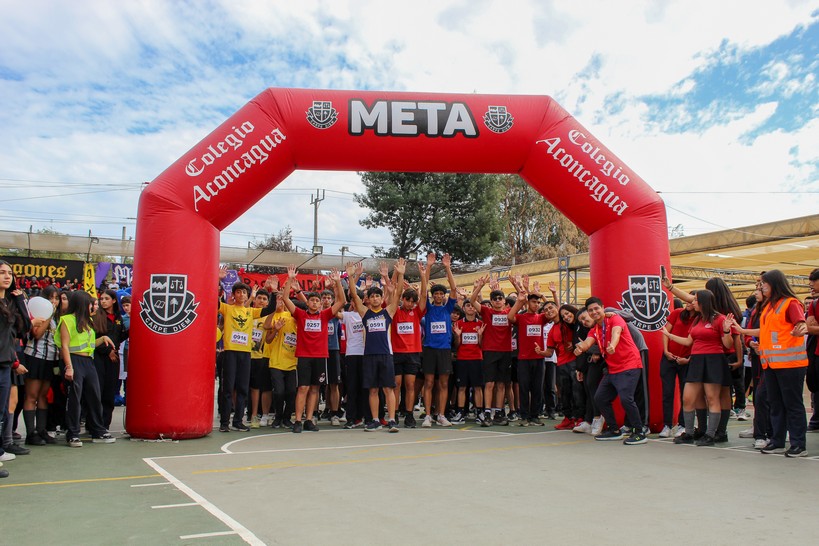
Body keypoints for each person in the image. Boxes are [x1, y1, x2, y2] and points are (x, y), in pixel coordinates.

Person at [728, 269, 809, 457]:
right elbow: (764, 331)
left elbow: (801, 323)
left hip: (790, 365)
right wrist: (743, 331)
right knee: (775, 404)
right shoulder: (769, 306)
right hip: (771, 365)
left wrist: (801, 329)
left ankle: (798, 444)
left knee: (793, 405)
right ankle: (777, 441)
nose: (761, 287)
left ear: (774, 284)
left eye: (764, 283)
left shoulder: (790, 303)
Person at [662, 290, 736, 446]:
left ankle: (710, 434)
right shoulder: (697, 319)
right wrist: (669, 335)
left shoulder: (719, 319)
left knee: (712, 398)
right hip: (696, 360)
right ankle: (689, 432)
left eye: (695, 300)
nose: (693, 302)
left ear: (703, 302)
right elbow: (689, 341)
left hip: (714, 360)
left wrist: (727, 330)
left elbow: (728, 344)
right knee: (688, 398)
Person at [281, 265, 346, 433]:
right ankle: (298, 420)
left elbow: (341, 302)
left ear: (320, 304)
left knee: (315, 389)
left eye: (317, 301)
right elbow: (286, 299)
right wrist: (289, 279)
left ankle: (309, 420)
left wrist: (338, 282)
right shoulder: (300, 314)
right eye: (312, 300)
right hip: (304, 356)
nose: (315, 302)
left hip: (320, 356)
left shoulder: (325, 315)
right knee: (303, 388)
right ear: (307, 303)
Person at [573, 296, 647, 445]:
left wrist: (613, 345)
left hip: (629, 365)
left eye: (596, 308)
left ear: (602, 308)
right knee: (600, 397)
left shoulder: (614, 318)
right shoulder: (595, 330)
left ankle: (639, 432)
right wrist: (580, 348)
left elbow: (616, 333)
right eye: (590, 310)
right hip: (613, 369)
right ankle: (614, 430)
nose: (594, 312)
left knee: (626, 399)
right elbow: (588, 343)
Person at [346, 259, 406, 432]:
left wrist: (401, 274)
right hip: (369, 356)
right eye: (372, 296)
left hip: (386, 355)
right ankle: (374, 420)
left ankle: (392, 420)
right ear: (368, 299)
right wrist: (351, 277)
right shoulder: (365, 313)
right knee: (372, 390)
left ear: (381, 298)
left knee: (388, 388)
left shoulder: (388, 312)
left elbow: (398, 294)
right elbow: (354, 295)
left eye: (377, 296)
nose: (375, 298)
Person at [215, 269, 277, 432]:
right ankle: (224, 423)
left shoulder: (251, 312)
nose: (241, 294)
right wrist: (217, 280)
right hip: (230, 353)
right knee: (228, 389)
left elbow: (270, 309)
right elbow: (213, 300)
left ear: (247, 295)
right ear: (234, 295)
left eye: (244, 292)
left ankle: (238, 421)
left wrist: (273, 291)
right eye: (238, 292)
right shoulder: (227, 308)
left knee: (243, 388)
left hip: (246, 354)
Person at [56, 290, 116, 447]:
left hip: (89, 361)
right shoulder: (67, 320)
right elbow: (64, 346)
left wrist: (102, 339)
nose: (93, 306)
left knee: (94, 395)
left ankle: (98, 430)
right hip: (74, 360)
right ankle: (73, 433)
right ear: (82, 304)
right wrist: (69, 367)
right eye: (90, 303)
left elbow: (88, 345)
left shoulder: (88, 321)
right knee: (75, 398)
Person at [419, 252, 459, 428]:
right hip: (429, 349)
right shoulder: (428, 308)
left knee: (443, 383)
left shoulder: (448, 308)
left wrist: (447, 267)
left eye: (441, 294)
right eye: (436, 293)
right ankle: (428, 415)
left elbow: (454, 289)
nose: (438, 296)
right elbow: (423, 291)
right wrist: (428, 267)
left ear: (444, 296)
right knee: (428, 383)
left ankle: (441, 415)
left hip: (444, 350)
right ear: (433, 295)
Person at [468, 275, 513, 426]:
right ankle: (487, 413)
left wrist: (518, 285)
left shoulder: (509, 313)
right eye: (494, 298)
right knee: (489, 384)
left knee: (501, 384)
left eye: (500, 298)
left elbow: (522, 301)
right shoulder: (487, 311)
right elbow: (472, 300)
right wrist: (479, 286)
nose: (497, 300)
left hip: (506, 351)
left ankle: (499, 412)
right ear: (491, 301)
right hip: (489, 351)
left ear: (504, 301)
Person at [1, 261, 32, 477]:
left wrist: (20, 300)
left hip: (5, 364)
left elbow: (25, 328)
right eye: (2, 273)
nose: (7, 276)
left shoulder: (10, 302)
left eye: (10, 273)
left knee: (2, 411)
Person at [22, 285, 60, 446]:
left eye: (56, 298)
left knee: (43, 396)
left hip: (51, 360)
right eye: (51, 298)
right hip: (34, 357)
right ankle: (31, 433)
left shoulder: (58, 317)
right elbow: (36, 334)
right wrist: (49, 314)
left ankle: (42, 430)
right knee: (32, 395)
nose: (54, 301)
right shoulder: (38, 313)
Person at [390, 264, 427, 428]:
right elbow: (395, 293)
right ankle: (395, 413)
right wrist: (399, 274)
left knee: (410, 385)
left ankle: (409, 414)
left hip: (413, 353)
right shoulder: (395, 311)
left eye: (413, 301)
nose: (410, 303)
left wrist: (423, 275)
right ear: (403, 299)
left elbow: (424, 296)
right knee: (396, 385)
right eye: (408, 300)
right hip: (396, 353)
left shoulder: (417, 313)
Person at [507, 289, 549, 427]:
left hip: (539, 358)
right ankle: (524, 416)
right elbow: (510, 316)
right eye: (533, 302)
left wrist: (543, 295)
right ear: (528, 303)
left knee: (537, 388)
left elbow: (554, 312)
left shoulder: (541, 317)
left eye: (538, 302)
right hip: (524, 358)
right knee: (524, 388)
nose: (536, 304)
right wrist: (520, 301)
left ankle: (535, 416)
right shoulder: (522, 317)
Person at [659, 295, 695, 438]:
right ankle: (667, 425)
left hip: (686, 360)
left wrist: (688, 359)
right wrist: (666, 351)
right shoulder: (677, 313)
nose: (688, 303)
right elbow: (666, 332)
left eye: (692, 301)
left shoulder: (699, 319)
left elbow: (698, 341)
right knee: (667, 392)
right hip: (669, 358)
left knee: (685, 394)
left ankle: (682, 424)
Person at [92, 289, 128, 430]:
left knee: (109, 391)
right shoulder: (96, 316)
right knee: (98, 391)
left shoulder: (118, 317)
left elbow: (119, 336)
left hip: (114, 358)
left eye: (106, 298)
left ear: (113, 300)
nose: (103, 301)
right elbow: (93, 338)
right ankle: (94, 424)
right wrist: (108, 351)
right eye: (101, 299)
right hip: (99, 357)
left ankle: (105, 424)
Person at [264, 291, 297, 429]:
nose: (280, 301)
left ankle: (287, 417)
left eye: (282, 299)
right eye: (277, 299)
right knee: (279, 391)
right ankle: (278, 417)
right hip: (276, 362)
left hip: (292, 363)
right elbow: (267, 338)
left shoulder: (292, 316)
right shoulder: (273, 316)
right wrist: (276, 330)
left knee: (291, 392)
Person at [451, 300, 485, 424]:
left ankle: (480, 412)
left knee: (477, 387)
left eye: (472, 306)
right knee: (461, 387)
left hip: (477, 359)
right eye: (468, 306)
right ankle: (460, 413)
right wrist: (457, 336)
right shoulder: (458, 324)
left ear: (476, 308)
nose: (471, 308)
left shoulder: (481, 324)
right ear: (464, 308)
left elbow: (482, 345)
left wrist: (480, 336)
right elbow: (457, 345)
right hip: (462, 359)